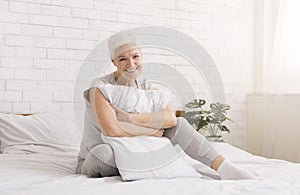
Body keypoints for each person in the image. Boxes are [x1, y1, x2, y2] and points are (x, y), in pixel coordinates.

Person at [76, 32, 256, 180]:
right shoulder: (99, 87)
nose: (131, 63)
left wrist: (130, 118)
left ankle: (224, 167)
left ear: (141, 56)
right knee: (104, 153)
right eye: (122, 59)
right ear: (113, 61)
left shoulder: (148, 88)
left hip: (138, 149)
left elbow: (170, 119)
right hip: (102, 154)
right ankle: (145, 166)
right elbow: (112, 131)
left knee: (179, 124)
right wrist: (153, 130)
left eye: (135, 56)